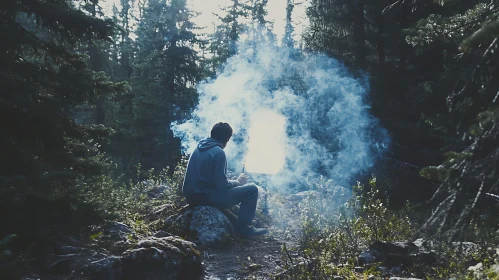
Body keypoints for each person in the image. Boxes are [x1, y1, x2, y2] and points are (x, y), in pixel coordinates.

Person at [182, 122, 268, 237]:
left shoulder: (198, 148)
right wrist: (238, 182)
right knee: (251, 190)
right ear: (227, 138)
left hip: (191, 198)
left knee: (231, 192)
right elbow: (221, 186)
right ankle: (245, 229)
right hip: (205, 198)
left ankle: (238, 222)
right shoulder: (219, 152)